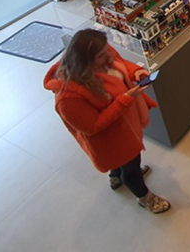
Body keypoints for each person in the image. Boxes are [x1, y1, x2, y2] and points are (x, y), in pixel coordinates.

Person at [43, 29, 171, 213]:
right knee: (131, 169)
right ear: (86, 60)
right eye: (102, 55)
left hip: (124, 128)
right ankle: (144, 197)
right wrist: (125, 100)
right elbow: (93, 126)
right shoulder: (67, 98)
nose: (108, 55)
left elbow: (119, 64)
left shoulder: (102, 53)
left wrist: (136, 72)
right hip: (112, 140)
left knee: (124, 163)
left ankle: (115, 176)